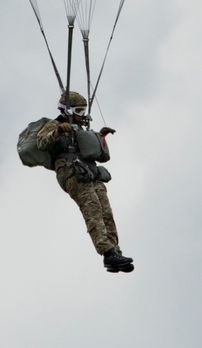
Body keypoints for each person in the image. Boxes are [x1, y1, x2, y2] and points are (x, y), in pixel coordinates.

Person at [36, 91, 134, 272]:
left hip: (89, 172)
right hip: (72, 174)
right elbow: (41, 143)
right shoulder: (54, 125)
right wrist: (57, 132)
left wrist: (100, 137)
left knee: (106, 210)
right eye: (79, 111)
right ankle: (106, 252)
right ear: (68, 111)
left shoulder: (80, 128)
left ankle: (115, 250)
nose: (82, 115)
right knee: (93, 208)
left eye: (83, 111)